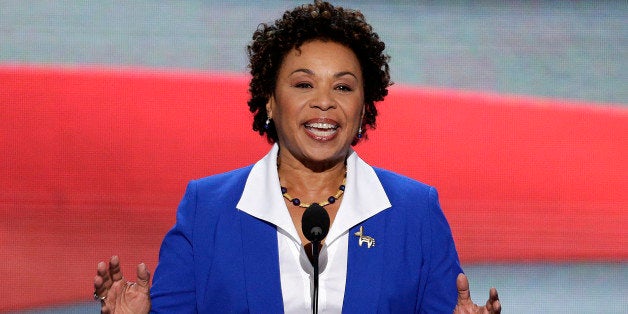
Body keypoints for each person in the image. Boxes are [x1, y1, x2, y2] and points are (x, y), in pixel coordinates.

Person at [94, 1, 501, 313]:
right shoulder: (207, 208)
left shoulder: (416, 211)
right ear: (270, 101)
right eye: (304, 84)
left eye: (343, 88)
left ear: (364, 108)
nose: (324, 103)